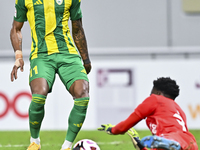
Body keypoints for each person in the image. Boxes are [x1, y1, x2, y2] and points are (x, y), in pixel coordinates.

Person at [10, 0, 91, 150]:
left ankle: (67, 146)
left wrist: (85, 58)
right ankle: (35, 142)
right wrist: (18, 56)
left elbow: (77, 27)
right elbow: (16, 28)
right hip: (41, 55)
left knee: (83, 95)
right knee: (39, 95)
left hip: (68, 54)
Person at [98, 77, 198, 150]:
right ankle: (172, 145)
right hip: (190, 143)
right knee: (162, 142)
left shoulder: (155, 99)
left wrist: (112, 130)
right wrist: (139, 145)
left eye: (152, 92)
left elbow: (124, 126)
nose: (150, 95)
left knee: (163, 141)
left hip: (170, 138)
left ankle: (172, 144)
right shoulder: (179, 110)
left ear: (158, 93)